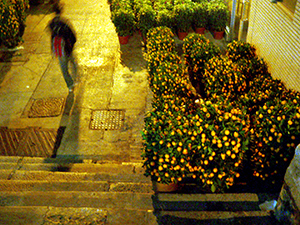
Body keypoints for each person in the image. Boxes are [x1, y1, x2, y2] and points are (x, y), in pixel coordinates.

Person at [48, 3, 77, 92]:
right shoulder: (65, 23)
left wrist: (53, 49)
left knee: (64, 69)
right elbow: (73, 37)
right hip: (68, 48)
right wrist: (71, 45)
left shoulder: (51, 24)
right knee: (73, 62)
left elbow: (52, 36)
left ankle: (70, 85)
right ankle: (76, 77)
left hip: (60, 51)